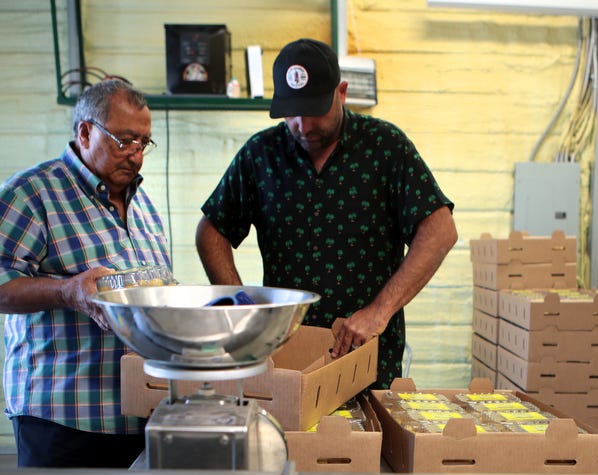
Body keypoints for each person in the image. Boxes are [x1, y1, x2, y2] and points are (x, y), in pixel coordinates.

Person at [196, 38, 457, 389]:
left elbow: (440, 230)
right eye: (292, 113)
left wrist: (379, 312)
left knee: (366, 443)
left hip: (367, 359)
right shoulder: (262, 154)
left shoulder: (385, 147)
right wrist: (242, 305)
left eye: (315, 111)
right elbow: (211, 230)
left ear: (342, 92)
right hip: (286, 357)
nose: (303, 126)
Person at [0, 78, 170, 468]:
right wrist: (67, 291)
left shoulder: (144, 207)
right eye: (124, 140)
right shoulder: (29, 194)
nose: (136, 155)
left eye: (144, 143)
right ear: (86, 131)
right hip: (62, 418)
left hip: (136, 415)